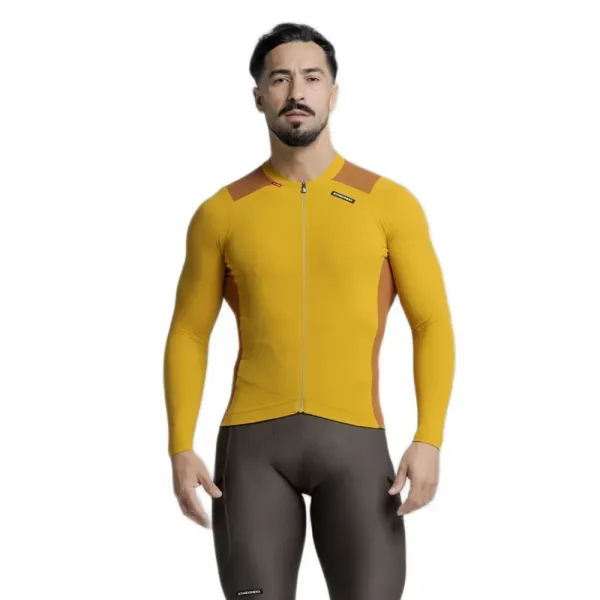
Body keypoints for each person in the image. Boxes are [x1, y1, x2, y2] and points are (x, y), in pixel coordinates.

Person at [163, 22, 455, 600]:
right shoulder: (221, 212)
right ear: (259, 97)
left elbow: (432, 324)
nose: (296, 91)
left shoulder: (388, 203)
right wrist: (179, 445)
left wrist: (429, 438)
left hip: (357, 446)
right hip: (252, 451)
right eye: (280, 79)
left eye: (312, 78)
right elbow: (189, 332)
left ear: (333, 93)